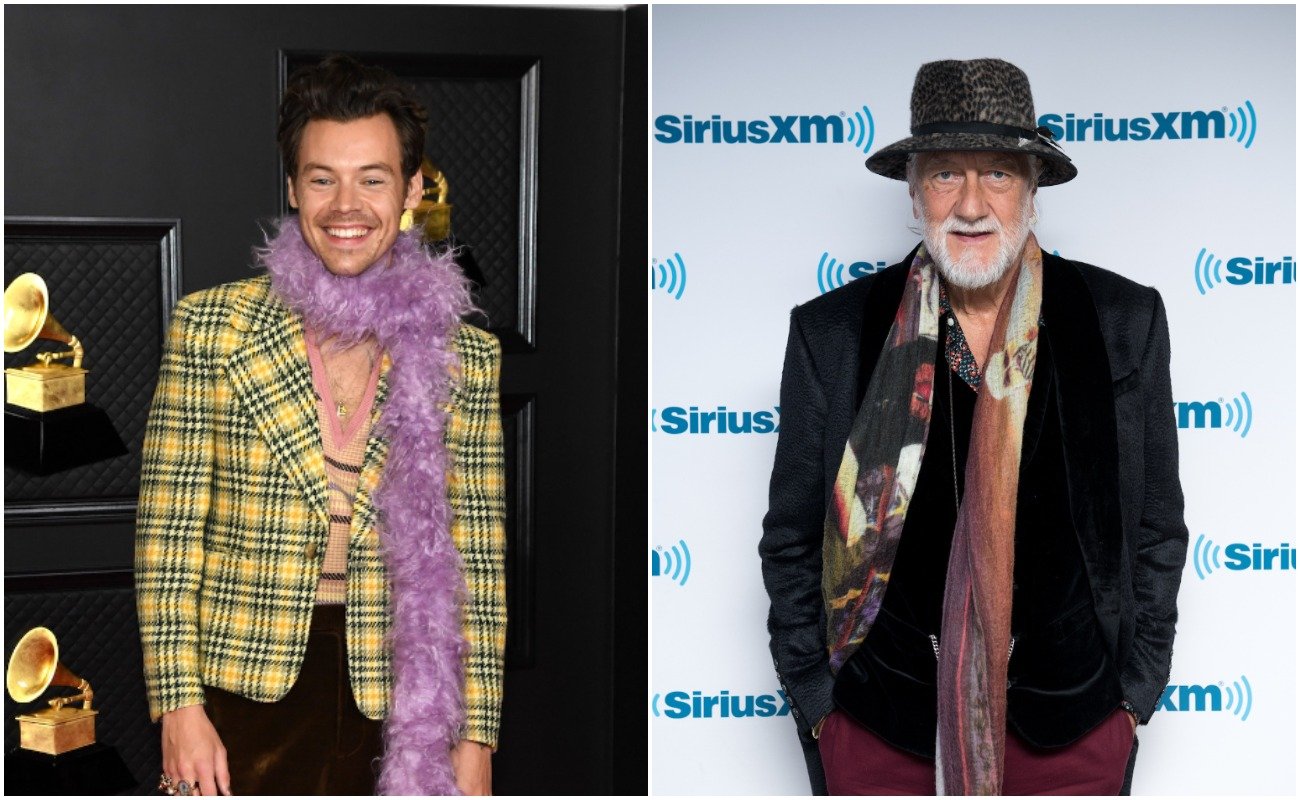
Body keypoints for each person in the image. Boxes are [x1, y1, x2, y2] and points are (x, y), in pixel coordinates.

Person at [759, 58, 1187, 795]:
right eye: (946, 173)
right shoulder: (833, 334)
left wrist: (1135, 695)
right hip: (882, 729)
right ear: (913, 189)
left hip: (1073, 730)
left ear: (1032, 189)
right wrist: (819, 704)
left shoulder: (1120, 322)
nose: (972, 204)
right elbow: (793, 538)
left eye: (996, 173)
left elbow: (1156, 527)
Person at [136, 55, 506, 796]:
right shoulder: (212, 327)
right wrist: (177, 705)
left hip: (401, 700)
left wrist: (476, 736)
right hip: (241, 694)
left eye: (372, 178)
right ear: (293, 187)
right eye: (321, 178)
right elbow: (167, 535)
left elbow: (480, 560)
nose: (347, 205)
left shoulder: (466, 354)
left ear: (412, 190)